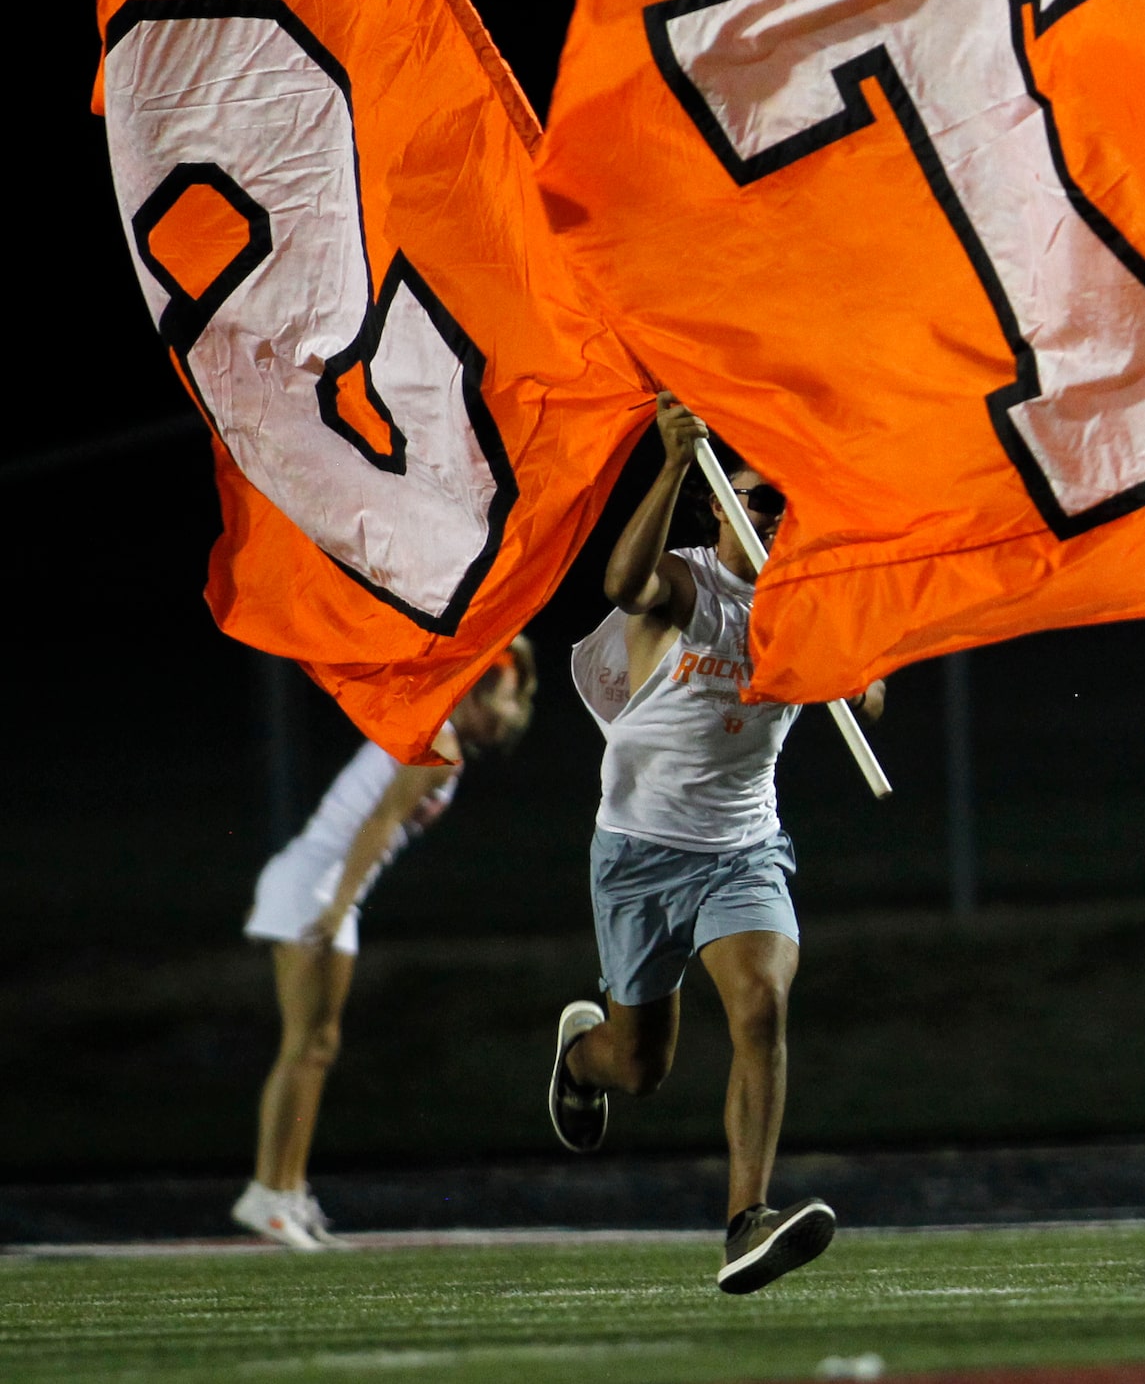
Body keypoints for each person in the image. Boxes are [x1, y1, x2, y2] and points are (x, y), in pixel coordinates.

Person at [547, 391, 883, 1296]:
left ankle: (747, 1220)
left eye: (788, 500)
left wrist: (844, 659)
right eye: (760, 497)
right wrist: (667, 460)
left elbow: (870, 693)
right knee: (640, 1066)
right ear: (719, 503)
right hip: (638, 851)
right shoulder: (691, 584)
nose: (778, 512)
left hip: (743, 848)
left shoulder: (804, 596)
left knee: (762, 1007)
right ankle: (583, 1062)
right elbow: (623, 586)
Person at [233, 637, 538, 1249]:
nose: (510, 716)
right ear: (475, 690)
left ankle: (287, 1190)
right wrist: (339, 905)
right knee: (304, 1046)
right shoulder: (440, 743)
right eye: (504, 698)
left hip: (328, 888)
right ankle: (267, 1190)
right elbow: (378, 823)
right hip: (316, 885)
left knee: (319, 1046)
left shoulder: (442, 738)